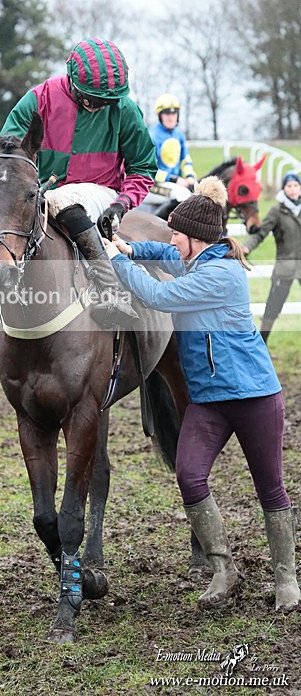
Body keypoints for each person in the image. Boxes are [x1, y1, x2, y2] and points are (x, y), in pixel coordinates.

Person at [102, 176, 299, 613]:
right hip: (209, 400)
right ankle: (223, 568)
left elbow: (157, 294)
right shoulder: (193, 257)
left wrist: (119, 261)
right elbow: (164, 252)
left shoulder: (220, 275)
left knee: (270, 488)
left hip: (254, 397)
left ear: (195, 239)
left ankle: (287, 578)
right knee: (189, 474)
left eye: (177, 232)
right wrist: (134, 248)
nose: (172, 238)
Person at [0, 37, 158, 348]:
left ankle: (111, 289)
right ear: (73, 82)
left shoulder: (125, 110)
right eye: (91, 98)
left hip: (100, 194)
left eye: (106, 101)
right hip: (44, 195)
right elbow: (7, 159)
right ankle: (6, 312)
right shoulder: (38, 99)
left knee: (63, 198)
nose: (99, 106)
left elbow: (143, 166)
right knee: (4, 210)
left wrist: (122, 204)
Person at [242, 171, 301, 344]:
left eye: (296, 185)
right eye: (289, 186)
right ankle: (261, 345)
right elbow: (260, 234)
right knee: (272, 309)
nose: (292, 189)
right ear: (284, 188)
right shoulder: (277, 211)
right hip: (285, 268)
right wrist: (246, 248)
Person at [149, 93, 195, 187]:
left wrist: (190, 176)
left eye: (173, 113)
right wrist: (173, 179)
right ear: (159, 115)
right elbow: (149, 168)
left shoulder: (180, 135)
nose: (170, 118)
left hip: (178, 181)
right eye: (166, 113)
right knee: (180, 194)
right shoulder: (151, 135)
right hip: (155, 183)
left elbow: (185, 160)